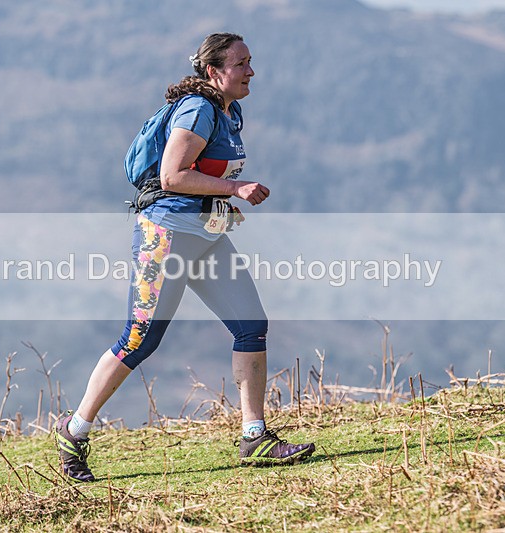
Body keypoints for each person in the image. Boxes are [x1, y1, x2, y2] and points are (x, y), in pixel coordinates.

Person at [55, 32, 315, 482]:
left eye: (251, 61)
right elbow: (172, 176)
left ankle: (254, 436)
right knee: (140, 340)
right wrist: (235, 188)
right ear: (215, 71)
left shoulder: (231, 112)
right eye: (241, 63)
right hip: (167, 236)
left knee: (252, 325)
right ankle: (74, 432)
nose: (251, 71)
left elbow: (203, 175)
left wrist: (221, 201)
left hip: (208, 237)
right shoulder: (198, 109)